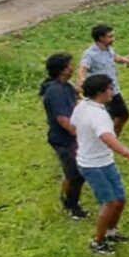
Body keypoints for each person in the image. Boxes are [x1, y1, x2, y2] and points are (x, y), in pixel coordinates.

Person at [71, 74, 129, 256]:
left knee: (120, 199)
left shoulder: (82, 106)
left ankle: (112, 232)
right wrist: (128, 153)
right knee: (110, 203)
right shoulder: (98, 114)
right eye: (109, 88)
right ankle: (98, 242)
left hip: (104, 161)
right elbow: (107, 137)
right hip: (94, 165)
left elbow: (74, 126)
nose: (112, 91)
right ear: (100, 92)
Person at [40, 53, 88, 219]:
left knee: (75, 172)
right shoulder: (55, 92)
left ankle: (67, 197)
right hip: (64, 139)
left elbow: (78, 94)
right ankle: (71, 206)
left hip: (70, 137)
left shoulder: (63, 85)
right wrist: (77, 132)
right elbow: (62, 119)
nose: (73, 67)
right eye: (70, 65)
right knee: (75, 173)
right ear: (63, 69)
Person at [76, 24, 129, 135]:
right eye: (110, 36)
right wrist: (80, 81)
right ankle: (106, 137)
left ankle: (112, 136)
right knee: (107, 116)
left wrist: (126, 61)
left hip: (113, 89)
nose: (113, 39)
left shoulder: (108, 49)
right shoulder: (90, 54)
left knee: (123, 114)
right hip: (101, 91)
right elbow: (82, 68)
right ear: (101, 38)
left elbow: (115, 57)